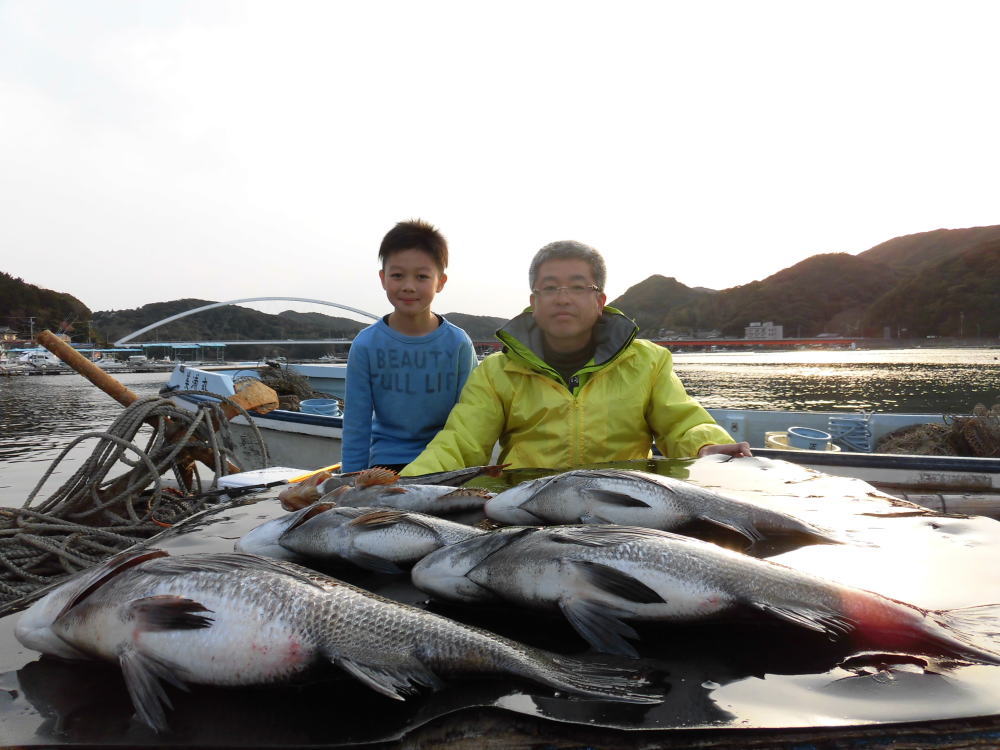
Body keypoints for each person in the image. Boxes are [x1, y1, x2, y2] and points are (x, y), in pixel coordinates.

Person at [401, 239, 751, 475]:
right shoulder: (497, 372)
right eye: (550, 287)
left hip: (624, 509)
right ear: (534, 301)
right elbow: (461, 442)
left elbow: (682, 422)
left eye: (578, 286)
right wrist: (407, 485)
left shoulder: (648, 362)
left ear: (600, 301)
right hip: (526, 513)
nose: (563, 297)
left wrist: (708, 445)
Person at [341, 219, 477, 473]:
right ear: (383, 278)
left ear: (440, 282)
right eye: (397, 275)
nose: (408, 286)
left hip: (445, 460)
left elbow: (469, 419)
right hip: (387, 462)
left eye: (422, 276)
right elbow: (356, 425)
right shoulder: (366, 345)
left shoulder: (458, 343)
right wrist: (351, 480)